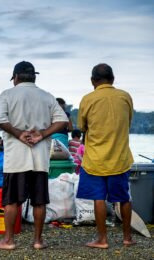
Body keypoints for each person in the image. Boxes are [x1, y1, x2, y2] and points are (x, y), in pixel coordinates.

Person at [0, 61, 68, 250]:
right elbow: (62, 120)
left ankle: (9, 241)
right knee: (39, 201)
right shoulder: (47, 97)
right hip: (40, 158)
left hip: (16, 159)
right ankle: (37, 241)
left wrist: (18, 133)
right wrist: (41, 134)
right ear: (34, 76)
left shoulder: (8, 94)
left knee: (11, 201)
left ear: (15, 78)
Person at [77, 63, 135, 248]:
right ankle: (127, 238)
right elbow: (128, 121)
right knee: (124, 197)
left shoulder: (88, 99)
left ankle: (102, 239)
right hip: (120, 157)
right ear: (113, 79)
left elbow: (82, 127)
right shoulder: (125, 97)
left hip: (95, 159)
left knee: (99, 198)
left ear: (93, 80)